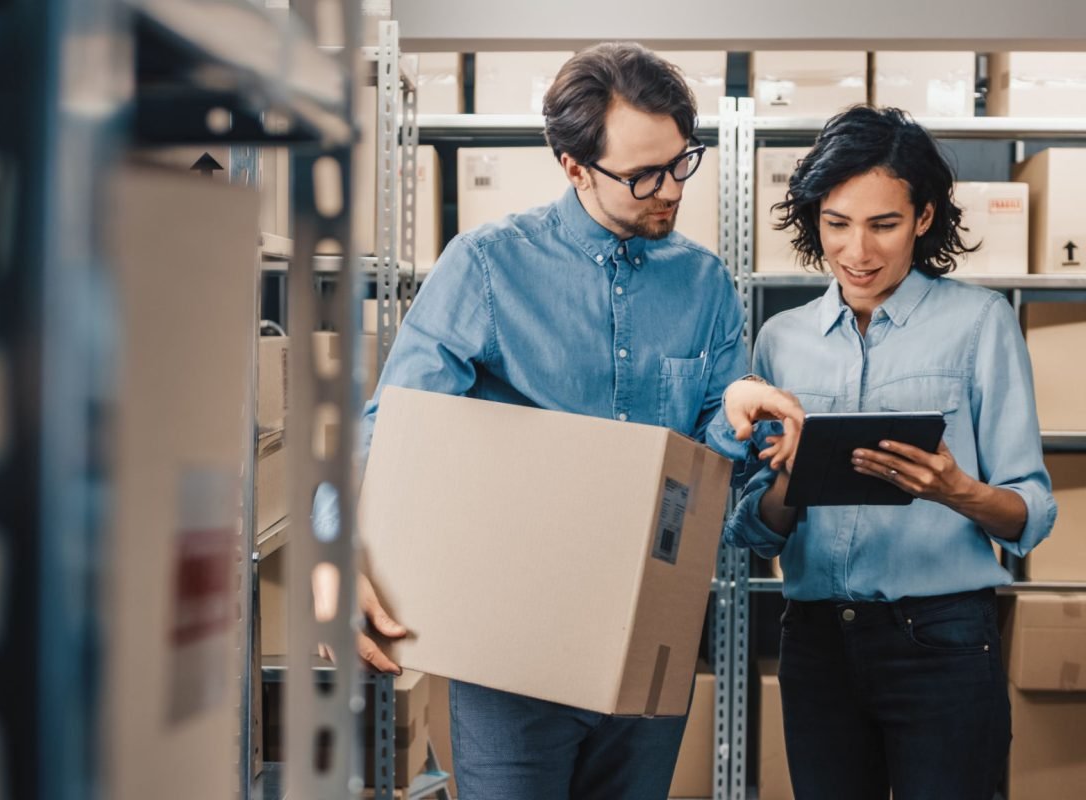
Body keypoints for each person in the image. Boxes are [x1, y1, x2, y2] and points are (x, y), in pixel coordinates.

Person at [320, 42, 803, 800]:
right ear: (573, 166)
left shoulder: (706, 286)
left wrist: (736, 421)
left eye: (682, 162)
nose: (670, 190)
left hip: (650, 641)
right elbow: (391, 428)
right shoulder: (485, 268)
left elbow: (714, 476)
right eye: (643, 175)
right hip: (512, 649)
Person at [713, 106, 1057, 800]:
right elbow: (751, 529)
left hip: (942, 640)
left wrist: (955, 489)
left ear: (924, 218)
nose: (857, 252)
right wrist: (787, 481)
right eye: (836, 223)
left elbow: (1033, 513)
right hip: (815, 642)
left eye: (883, 224)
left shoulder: (980, 323)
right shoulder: (781, 340)